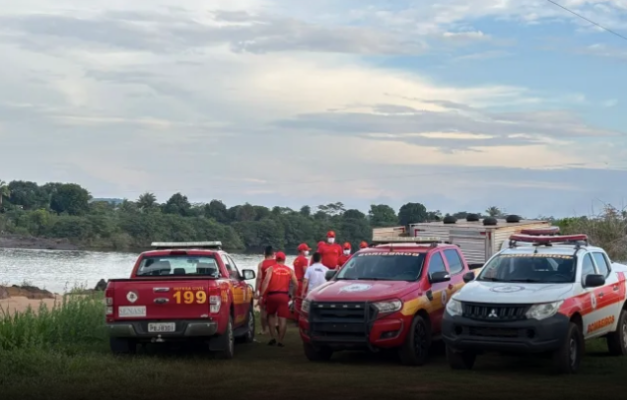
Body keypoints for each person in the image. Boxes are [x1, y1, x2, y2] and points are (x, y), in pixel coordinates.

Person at [261, 251, 298, 347]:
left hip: (272, 295)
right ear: (285, 260)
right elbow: (296, 284)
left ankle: (272, 337)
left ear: (276, 259)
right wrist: (293, 294)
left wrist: (262, 294)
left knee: (271, 316)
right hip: (283, 296)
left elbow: (266, 281)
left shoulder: (271, 269)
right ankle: (280, 340)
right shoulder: (289, 270)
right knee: (282, 319)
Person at [254, 246, 275, 335]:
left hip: (264, 290)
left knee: (263, 311)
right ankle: (273, 330)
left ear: (264, 253)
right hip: (275, 289)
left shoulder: (261, 264)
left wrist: (256, 291)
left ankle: (264, 330)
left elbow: (259, 278)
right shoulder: (277, 263)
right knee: (274, 313)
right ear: (273, 254)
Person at [293, 243, 310, 316]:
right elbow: (305, 271)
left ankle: (296, 317)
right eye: (306, 250)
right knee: (303, 300)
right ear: (302, 251)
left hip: (296, 282)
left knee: (297, 301)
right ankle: (301, 317)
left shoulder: (296, 259)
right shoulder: (304, 259)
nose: (307, 252)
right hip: (301, 282)